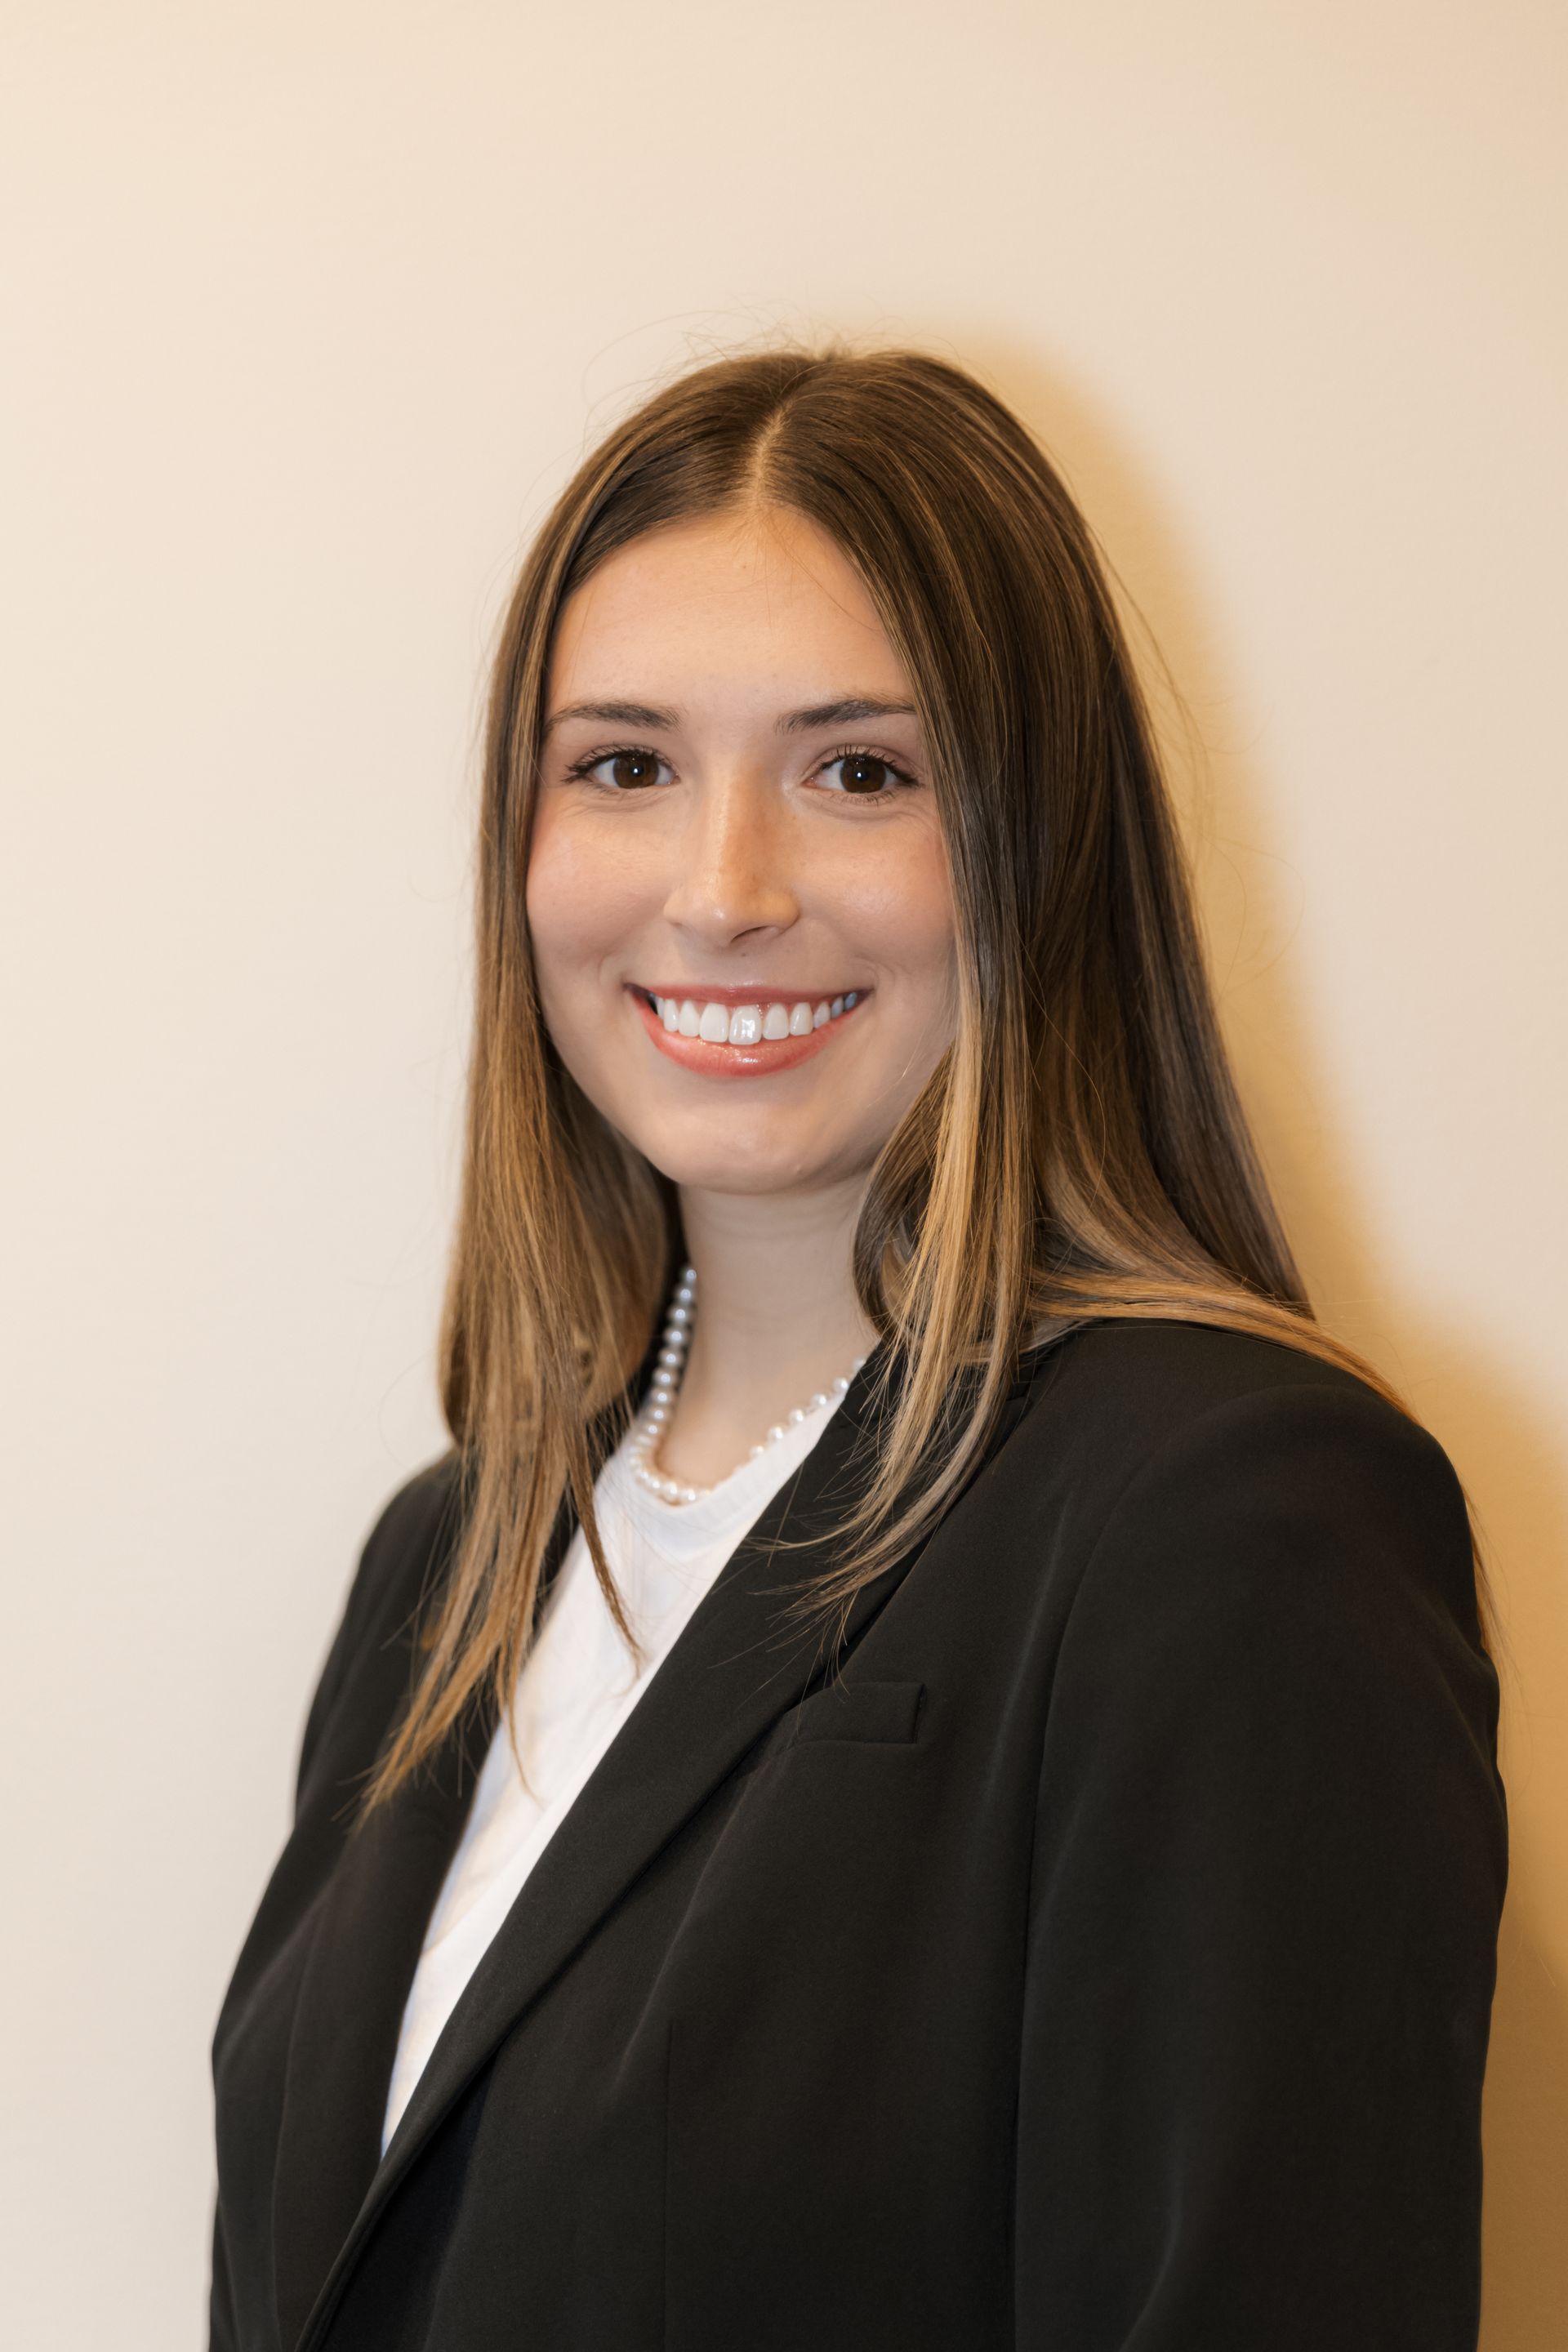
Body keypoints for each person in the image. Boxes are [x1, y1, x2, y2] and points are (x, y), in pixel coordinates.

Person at [208, 348, 1507, 2352]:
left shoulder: (1228, 1516)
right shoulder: (444, 1561)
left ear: (1038, 849)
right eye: (625, 765)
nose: (723, 894)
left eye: (860, 770)